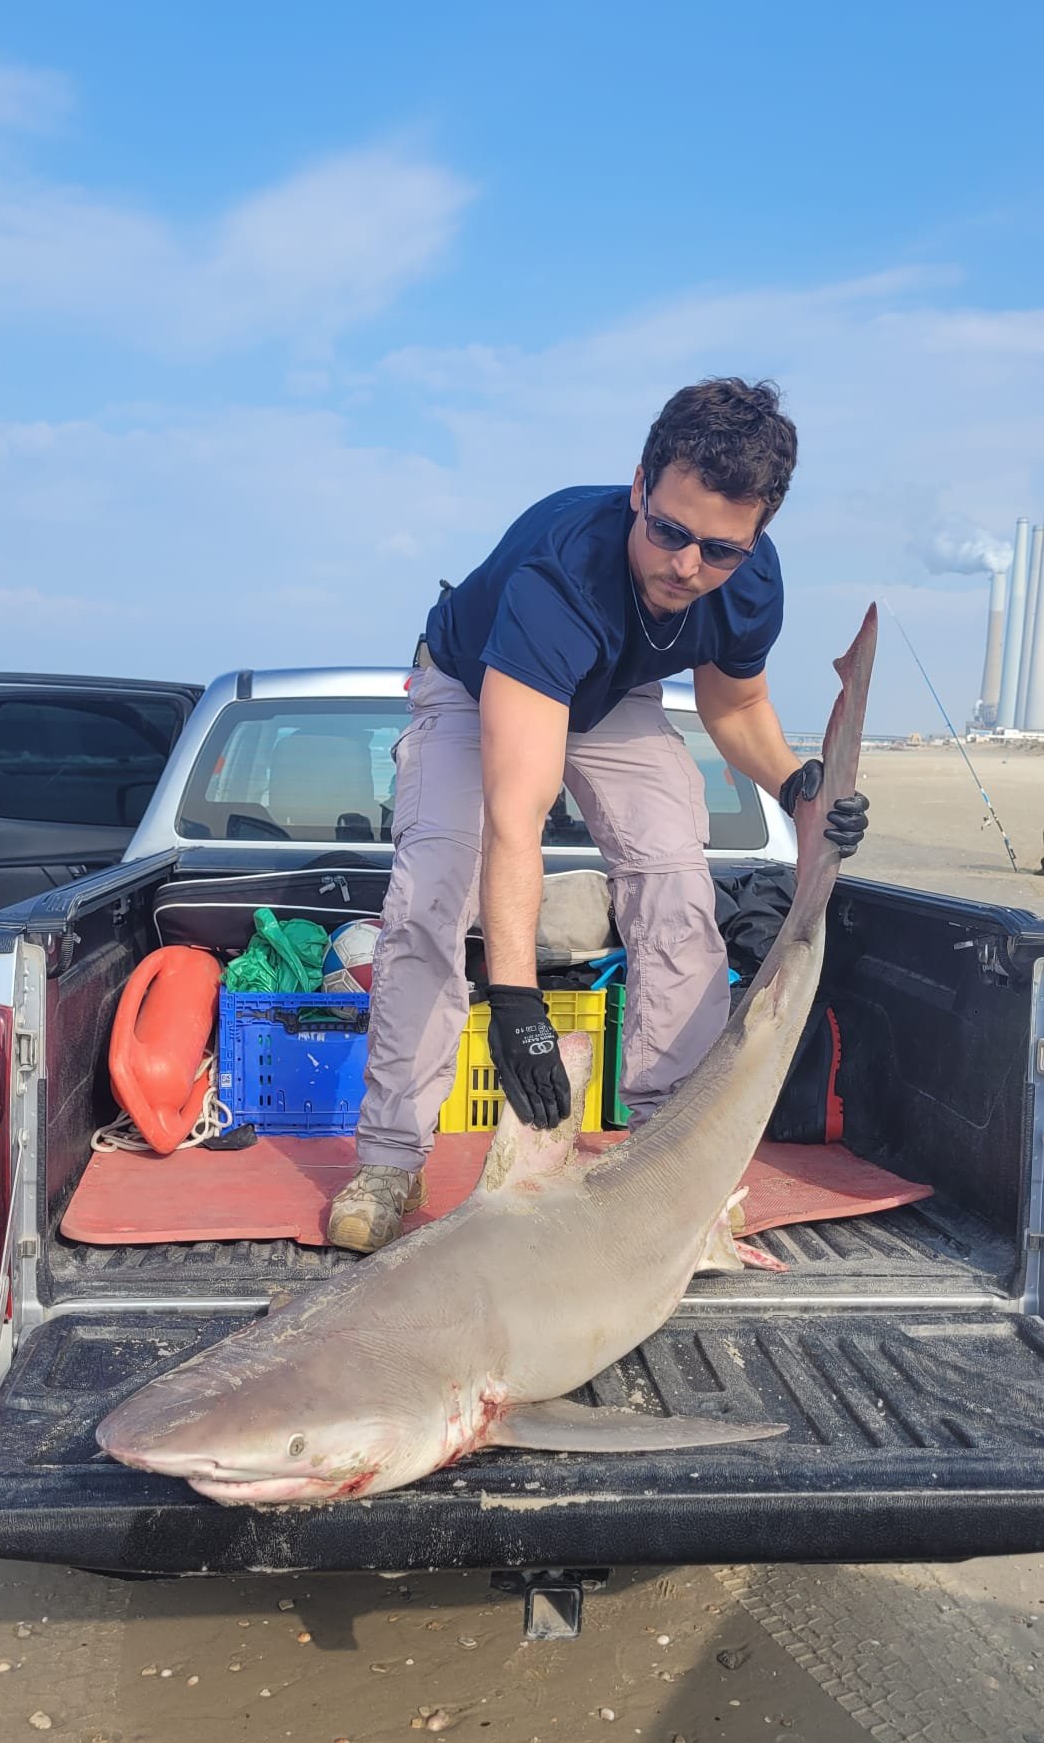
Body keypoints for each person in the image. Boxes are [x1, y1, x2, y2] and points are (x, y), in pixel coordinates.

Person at [327, 377, 869, 1252]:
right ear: (639, 488)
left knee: (675, 881)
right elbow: (517, 815)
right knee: (431, 895)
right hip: (478, 684)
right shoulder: (560, 578)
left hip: (611, 696)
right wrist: (515, 1004)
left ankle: (676, 1157)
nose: (688, 567)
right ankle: (390, 1159)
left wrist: (799, 786)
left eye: (721, 550)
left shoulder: (745, 581)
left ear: (757, 535)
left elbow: (735, 710)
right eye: (668, 533)